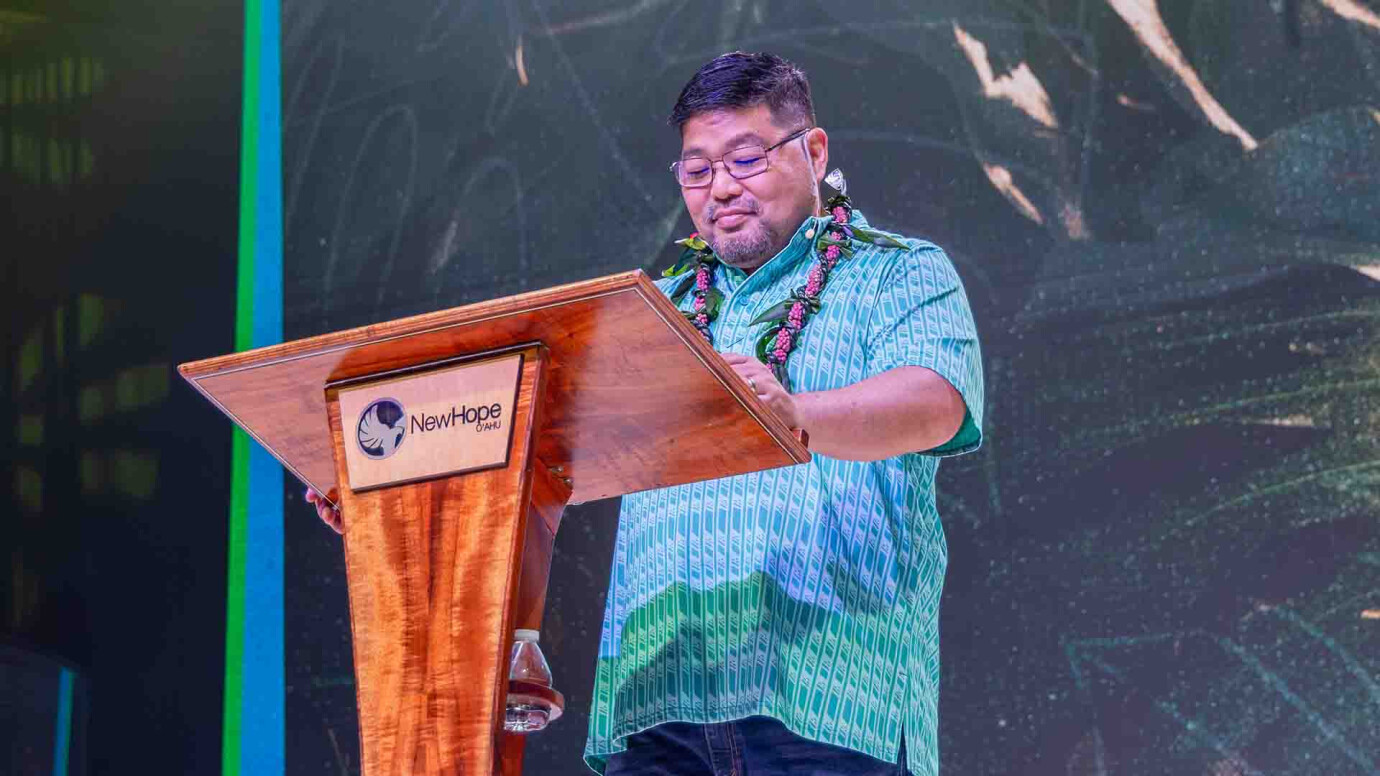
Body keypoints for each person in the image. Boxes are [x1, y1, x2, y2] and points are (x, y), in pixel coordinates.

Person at [310, 51, 983, 776]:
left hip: (833, 700)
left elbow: (935, 403)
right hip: (658, 710)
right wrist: (407, 500)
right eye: (697, 170)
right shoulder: (651, 315)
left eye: (747, 158)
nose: (721, 187)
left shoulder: (896, 271)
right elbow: (540, 459)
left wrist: (795, 413)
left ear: (813, 152)